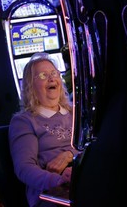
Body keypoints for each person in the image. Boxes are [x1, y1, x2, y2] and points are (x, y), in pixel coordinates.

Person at [8, 52, 79, 207]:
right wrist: (59, 181)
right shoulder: (24, 121)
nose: (52, 78)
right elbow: (24, 168)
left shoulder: (76, 112)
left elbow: (94, 146)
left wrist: (69, 155)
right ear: (29, 85)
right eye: (43, 75)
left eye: (54, 73)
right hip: (51, 192)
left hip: (85, 175)